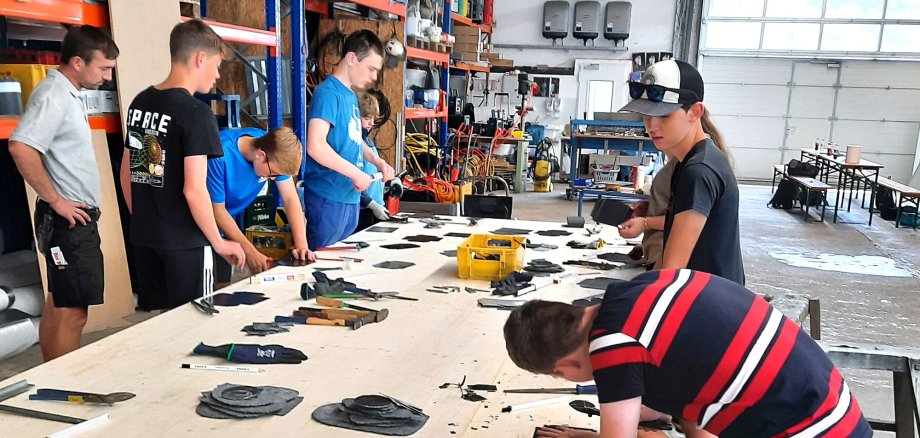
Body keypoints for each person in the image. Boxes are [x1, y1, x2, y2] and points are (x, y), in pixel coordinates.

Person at [504, 269, 872, 438]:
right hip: (840, 413)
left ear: (563, 369)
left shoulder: (611, 345)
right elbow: (691, 400)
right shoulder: (643, 287)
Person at [9, 25, 118, 361]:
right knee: (74, 311)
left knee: (59, 302)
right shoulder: (54, 95)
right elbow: (21, 147)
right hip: (70, 224)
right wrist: (57, 201)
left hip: (68, 222)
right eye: (103, 68)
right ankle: (64, 386)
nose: (108, 78)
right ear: (77, 62)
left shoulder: (68, 93)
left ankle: (47, 378)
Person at [119, 19, 245, 311]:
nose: (216, 76)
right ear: (200, 58)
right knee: (193, 326)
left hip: (146, 238)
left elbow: (128, 172)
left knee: (162, 326)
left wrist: (145, 218)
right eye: (216, 66)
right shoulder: (196, 113)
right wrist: (218, 242)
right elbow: (194, 190)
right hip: (186, 244)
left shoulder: (141, 103)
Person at [618, 59, 743, 285]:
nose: (652, 125)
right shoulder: (688, 161)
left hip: (710, 304)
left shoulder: (698, 171)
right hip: (707, 293)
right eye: (646, 115)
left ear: (694, 112)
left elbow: (671, 272)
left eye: (664, 115)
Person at [304, 29, 394, 250]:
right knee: (323, 271)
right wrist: (355, 173)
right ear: (352, 58)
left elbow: (353, 138)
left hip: (349, 198)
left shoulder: (350, 95)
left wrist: (377, 161)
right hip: (328, 197)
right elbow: (315, 146)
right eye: (371, 69)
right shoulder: (328, 94)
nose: (374, 77)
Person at [206, 126, 315, 278]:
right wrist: (250, 251)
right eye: (272, 174)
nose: (272, 179)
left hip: (225, 225)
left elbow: (290, 197)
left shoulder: (272, 146)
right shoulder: (219, 153)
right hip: (198, 224)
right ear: (260, 155)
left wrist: (302, 245)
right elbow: (217, 211)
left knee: (223, 284)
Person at [355, 89, 392, 231]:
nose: (371, 123)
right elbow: (352, 181)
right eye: (366, 118)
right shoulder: (354, 144)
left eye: (373, 119)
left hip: (374, 208)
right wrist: (370, 203)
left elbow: (373, 174)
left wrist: (390, 182)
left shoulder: (367, 142)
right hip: (361, 211)